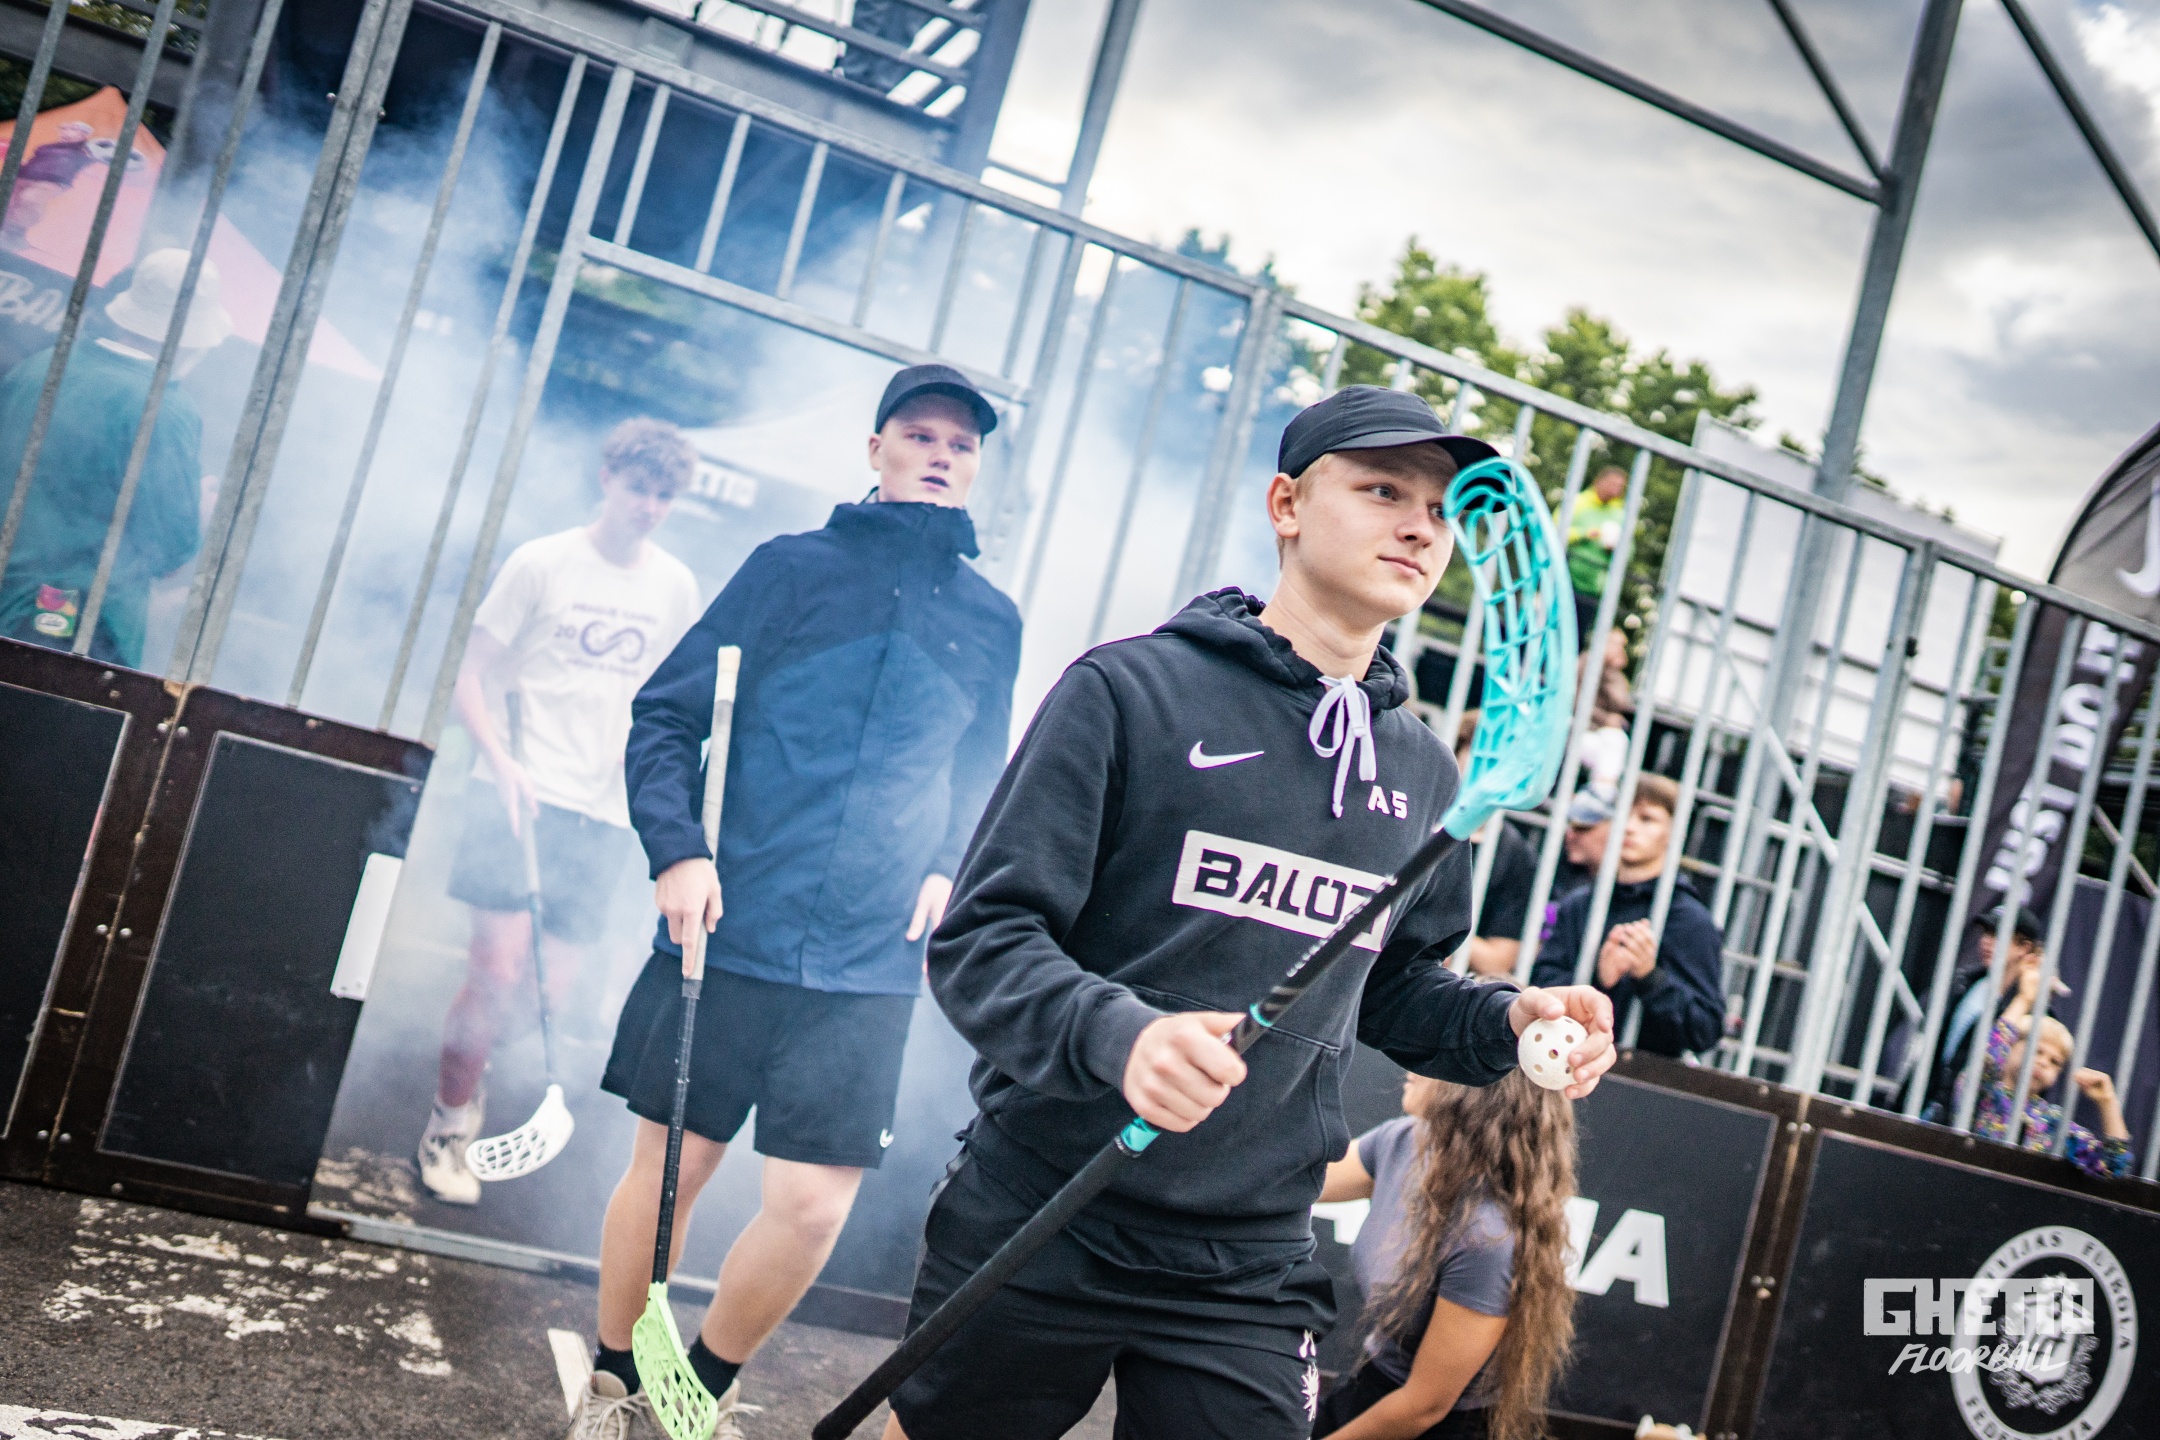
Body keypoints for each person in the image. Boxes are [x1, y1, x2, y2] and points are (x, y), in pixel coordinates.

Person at [884, 384, 1616, 1440]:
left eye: (1441, 510)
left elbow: (1396, 989)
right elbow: (983, 941)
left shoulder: (1424, 771)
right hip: (1046, 1203)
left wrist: (1507, 1018)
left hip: (1248, 1256)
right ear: (1287, 505)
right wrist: (1126, 1037)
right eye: (1383, 491)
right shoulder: (1128, 690)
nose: (1421, 527)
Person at [569, 365, 1021, 1439]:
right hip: (728, 929)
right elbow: (666, 717)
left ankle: (698, 1390)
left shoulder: (991, 618)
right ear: (876, 450)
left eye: (961, 444)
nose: (941, 455)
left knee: (814, 1205)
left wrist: (948, 863)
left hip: (870, 958)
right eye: (919, 435)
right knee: (673, 1171)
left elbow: (983, 772)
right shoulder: (789, 568)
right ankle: (613, 1379)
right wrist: (678, 853)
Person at [416, 416, 702, 1206]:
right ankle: (447, 1125)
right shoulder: (542, 562)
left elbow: (672, 701)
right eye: (639, 487)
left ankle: (479, 1084)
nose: (649, 506)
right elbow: (470, 675)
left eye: (664, 495)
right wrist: (501, 762)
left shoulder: (675, 587)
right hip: (516, 793)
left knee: (547, 996)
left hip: (602, 813)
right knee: (496, 973)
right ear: (608, 479)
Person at [1311, 1070, 1577, 1440]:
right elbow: (1294, 1182)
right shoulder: (1405, 1141)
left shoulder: (1487, 1235)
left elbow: (1425, 1405)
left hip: (1435, 1425)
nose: (1410, 1067)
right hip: (1369, 1384)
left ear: (1475, 1088)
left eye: (1434, 1059)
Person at [0, 248, 227, 666]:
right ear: (193, 342)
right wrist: (200, 509)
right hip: (78, 624)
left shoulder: (42, 366)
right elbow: (170, 551)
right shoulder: (164, 409)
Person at [1531, 775, 1724, 1059]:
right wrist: (1597, 980)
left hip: (1643, 1076)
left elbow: (1705, 1030)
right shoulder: (1579, 905)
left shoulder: (1688, 919)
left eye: (1647, 819)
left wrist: (1650, 978)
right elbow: (1541, 990)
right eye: (1622, 813)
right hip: (1569, 1063)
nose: (1629, 827)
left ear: (1676, 832)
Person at [1955, 962, 2135, 1179]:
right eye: (2036, 1050)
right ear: (2010, 1047)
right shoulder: (1984, 1091)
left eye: (2054, 1062)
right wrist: (2024, 999)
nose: (2043, 1062)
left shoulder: (2052, 1122)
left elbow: (2114, 1168)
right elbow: (1989, 1056)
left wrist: (2108, 1102)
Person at [1919, 906, 2050, 1125]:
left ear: (2024, 948)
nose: (1986, 942)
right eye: (1986, 933)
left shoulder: (2035, 1013)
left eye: (1997, 935)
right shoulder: (1966, 983)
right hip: (1928, 1110)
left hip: (1978, 1123)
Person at [1451, 710, 1537, 979]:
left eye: (1498, 759)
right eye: (1478, 751)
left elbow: (1499, 961)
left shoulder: (1515, 853)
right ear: (1455, 753)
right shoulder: (1415, 817)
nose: (1485, 766)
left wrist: (1441, 935)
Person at [1, 120, 96, 247]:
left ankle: (14, 234)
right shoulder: (47, 147)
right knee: (8, 200)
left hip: (53, 181)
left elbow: (93, 156)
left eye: (72, 129)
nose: (65, 132)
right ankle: (6, 231)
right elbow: (32, 162)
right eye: (63, 129)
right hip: (25, 176)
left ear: (83, 135)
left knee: (30, 199)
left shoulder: (85, 150)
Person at [1564, 465, 1627, 638]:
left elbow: (1629, 551)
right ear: (1599, 481)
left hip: (1593, 589)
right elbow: (1556, 532)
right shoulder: (1578, 502)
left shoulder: (1619, 514)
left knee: (1575, 637)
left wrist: (1616, 549)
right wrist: (1584, 534)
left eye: (1620, 486)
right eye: (1613, 484)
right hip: (1564, 579)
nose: (1616, 490)